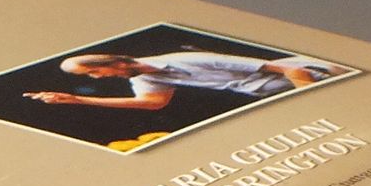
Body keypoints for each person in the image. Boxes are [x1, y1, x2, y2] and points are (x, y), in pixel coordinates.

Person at [23, 50, 344, 110]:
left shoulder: (186, 59)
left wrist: (314, 100)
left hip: (320, 77)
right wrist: (77, 100)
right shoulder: (146, 80)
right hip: (282, 95)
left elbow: (289, 70)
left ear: (116, 63)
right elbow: (151, 104)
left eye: (95, 72)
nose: (97, 78)